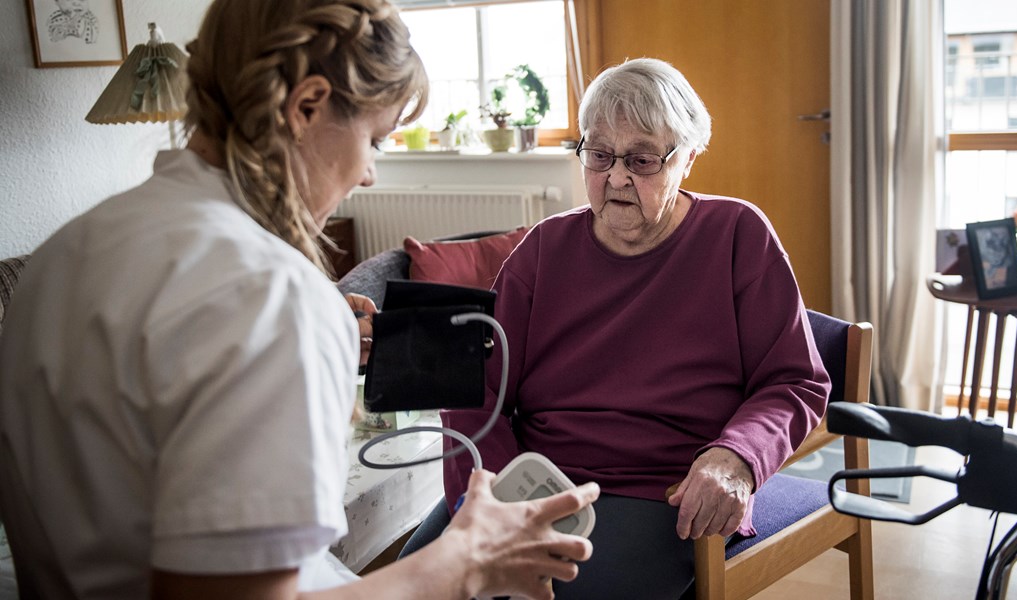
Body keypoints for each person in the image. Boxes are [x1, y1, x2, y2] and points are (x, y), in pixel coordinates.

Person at [0, 0, 598, 598]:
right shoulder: (271, 296)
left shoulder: (65, 253)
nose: (368, 175)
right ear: (306, 106)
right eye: (375, 140)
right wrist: (467, 560)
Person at [403, 57, 830, 598]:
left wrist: (737, 458)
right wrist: (495, 494)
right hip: (534, 481)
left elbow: (794, 380)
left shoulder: (737, 236)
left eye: (643, 158)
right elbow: (473, 389)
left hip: (664, 493)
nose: (617, 177)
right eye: (600, 155)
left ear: (688, 159)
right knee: (413, 585)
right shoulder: (543, 250)